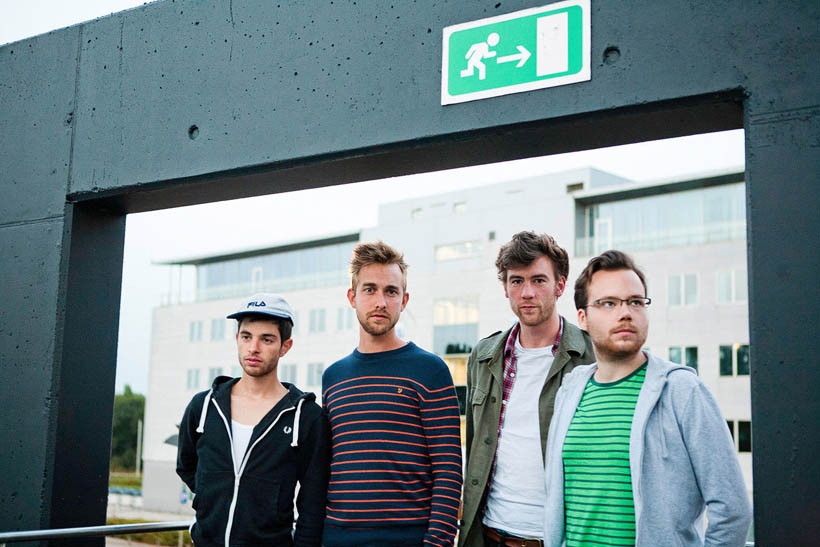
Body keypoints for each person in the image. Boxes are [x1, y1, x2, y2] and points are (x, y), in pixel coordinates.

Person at [543, 250, 752, 546]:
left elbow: (732, 510)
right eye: (608, 303)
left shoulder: (683, 392)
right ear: (583, 318)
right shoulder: (570, 391)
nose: (625, 312)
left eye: (635, 302)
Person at [321, 241, 463, 547]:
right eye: (369, 289)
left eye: (391, 291)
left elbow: (449, 470)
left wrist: (436, 543)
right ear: (352, 297)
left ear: (404, 299)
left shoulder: (430, 370)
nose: (380, 302)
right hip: (337, 539)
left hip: (409, 539)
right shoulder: (332, 378)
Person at [460, 231, 595, 547]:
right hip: (490, 535)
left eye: (538, 280)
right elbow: (473, 447)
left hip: (559, 538)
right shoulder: (482, 356)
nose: (527, 292)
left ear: (560, 285)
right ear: (506, 288)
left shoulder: (592, 356)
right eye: (517, 281)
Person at [177, 293, 329, 547]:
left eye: (266, 339)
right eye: (246, 337)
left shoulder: (306, 417)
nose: (253, 348)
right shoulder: (203, 406)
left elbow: (313, 502)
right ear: (237, 339)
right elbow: (187, 465)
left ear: (285, 346)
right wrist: (213, 498)